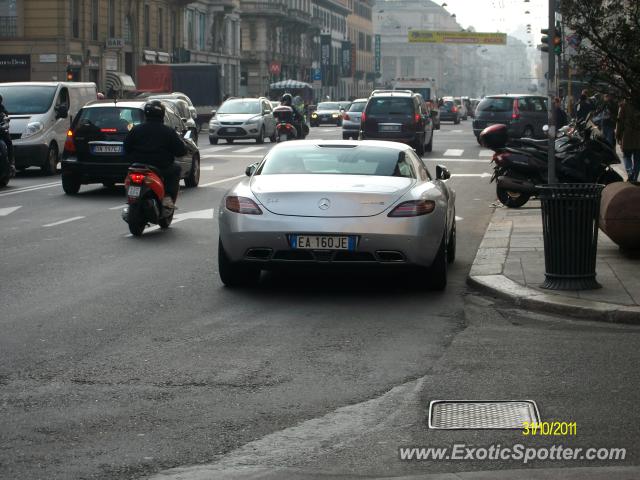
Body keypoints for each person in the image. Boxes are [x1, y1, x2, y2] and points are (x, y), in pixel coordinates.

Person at [124, 100, 186, 208]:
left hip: (137, 165)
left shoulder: (136, 129)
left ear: (146, 113)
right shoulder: (168, 131)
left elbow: (126, 147)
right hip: (161, 166)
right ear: (162, 113)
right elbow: (180, 150)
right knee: (176, 169)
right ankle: (167, 197)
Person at [616, 99, 640, 182]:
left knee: (626, 156)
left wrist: (617, 136)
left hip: (627, 135)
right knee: (637, 159)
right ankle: (635, 177)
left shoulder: (623, 106)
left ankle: (630, 172)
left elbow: (619, 122)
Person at [0, 95, 14, 171]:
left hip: (1, 131)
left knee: (8, 142)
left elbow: (6, 117)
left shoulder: (1, 108)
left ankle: (11, 163)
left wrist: (5, 124)